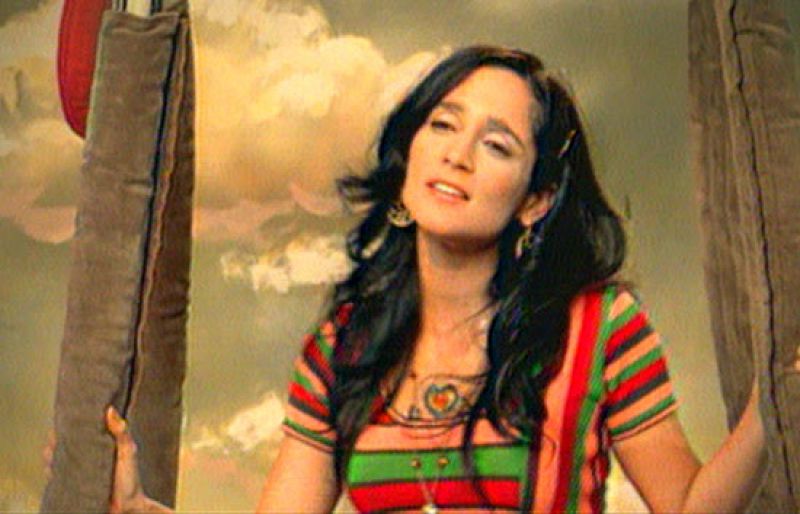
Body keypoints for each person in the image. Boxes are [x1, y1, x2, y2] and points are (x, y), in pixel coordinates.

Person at [100, 45, 774, 513]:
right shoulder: (343, 346)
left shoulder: (598, 327)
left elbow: (689, 507)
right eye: (443, 125)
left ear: (535, 199)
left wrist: (778, 391)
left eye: (496, 144)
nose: (457, 154)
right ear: (410, 153)